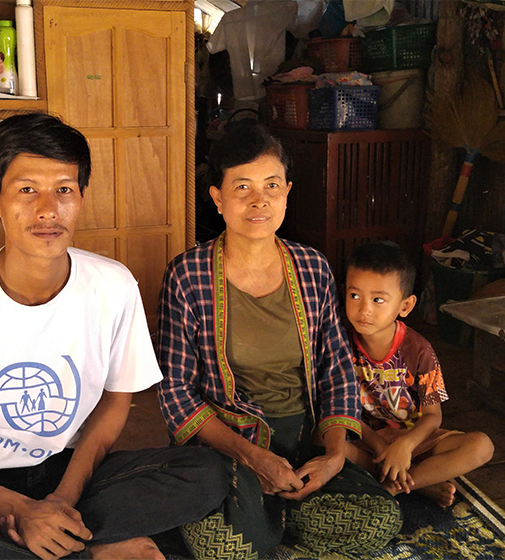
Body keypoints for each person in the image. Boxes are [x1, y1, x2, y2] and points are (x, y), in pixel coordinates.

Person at [0, 113, 228, 560]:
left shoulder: (113, 286)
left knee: (205, 472)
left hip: (71, 475)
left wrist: (63, 499)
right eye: (27, 190)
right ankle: (91, 547)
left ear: (81, 197)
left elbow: (115, 402)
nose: (48, 210)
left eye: (64, 190)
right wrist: (18, 508)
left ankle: (49, 538)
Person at [156, 123, 403, 560]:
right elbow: (176, 394)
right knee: (220, 547)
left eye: (272, 185)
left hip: (302, 439)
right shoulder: (188, 275)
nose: (259, 200)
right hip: (230, 444)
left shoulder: (312, 267)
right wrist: (253, 458)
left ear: (287, 191)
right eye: (242, 187)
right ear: (217, 197)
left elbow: (337, 369)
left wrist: (332, 456)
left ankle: (271, 520)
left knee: (379, 520)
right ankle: (266, 518)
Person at [343, 241, 494, 507]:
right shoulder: (340, 343)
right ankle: (420, 484)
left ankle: (392, 486)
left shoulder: (419, 350)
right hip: (366, 440)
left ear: (405, 305)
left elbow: (433, 416)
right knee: (325, 440)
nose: (364, 309)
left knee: (482, 446)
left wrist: (405, 446)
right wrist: (381, 447)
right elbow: (340, 410)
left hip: (413, 442)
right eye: (355, 296)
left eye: (378, 300)